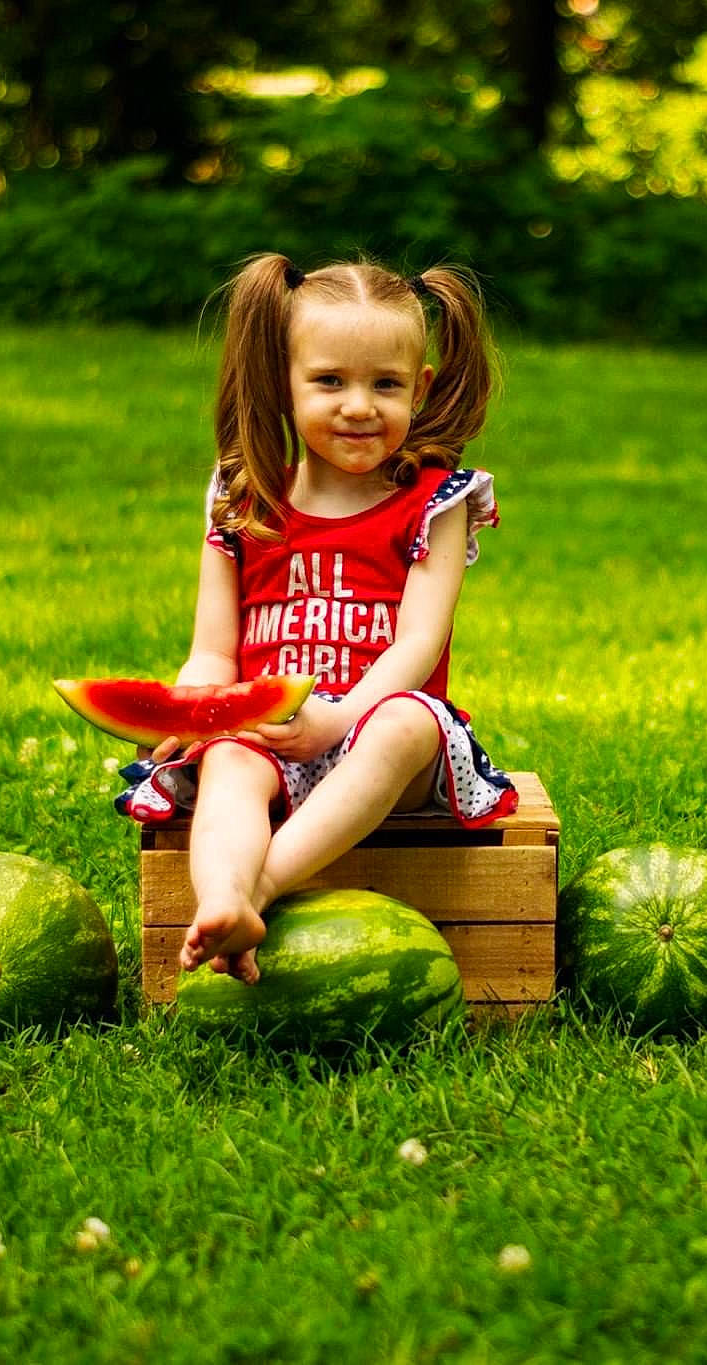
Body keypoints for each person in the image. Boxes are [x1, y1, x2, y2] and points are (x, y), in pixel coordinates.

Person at [116, 254, 518, 985]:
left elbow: (417, 645)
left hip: (385, 740)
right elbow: (213, 652)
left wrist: (334, 721)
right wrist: (195, 707)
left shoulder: (438, 499)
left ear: (420, 388)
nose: (360, 406)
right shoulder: (244, 495)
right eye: (330, 380)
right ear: (284, 378)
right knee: (229, 762)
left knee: (404, 722)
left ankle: (261, 889)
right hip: (273, 736)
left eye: (386, 384)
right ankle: (225, 898)